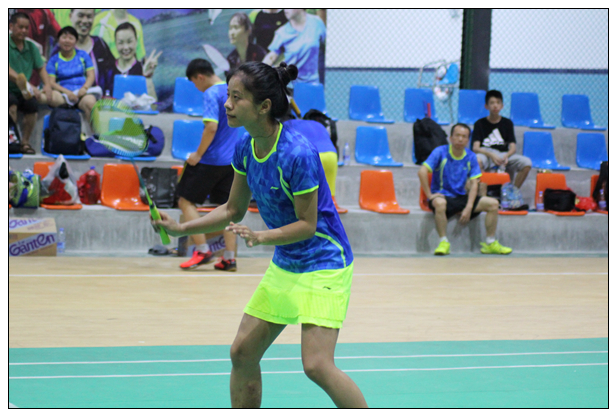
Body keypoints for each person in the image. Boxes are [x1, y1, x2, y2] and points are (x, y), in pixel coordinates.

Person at [152, 61, 367, 408]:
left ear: (264, 106)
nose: (227, 104)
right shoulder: (245, 146)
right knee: (242, 352)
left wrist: (262, 237)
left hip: (325, 262)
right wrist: (181, 227)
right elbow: (232, 210)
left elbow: (307, 225)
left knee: (317, 365)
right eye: (228, 96)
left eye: (237, 98)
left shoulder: (297, 153)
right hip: (287, 262)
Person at [175, 58, 241, 271]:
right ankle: (229, 258)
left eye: (194, 82)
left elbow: (211, 127)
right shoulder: (233, 91)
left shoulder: (212, 93)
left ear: (200, 77)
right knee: (228, 209)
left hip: (211, 160)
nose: (196, 87)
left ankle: (202, 250)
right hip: (233, 162)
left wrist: (197, 154)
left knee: (185, 201)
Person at [418, 123, 513, 256]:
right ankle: (443, 242)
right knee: (440, 203)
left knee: (493, 204)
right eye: (457, 135)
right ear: (451, 138)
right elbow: (422, 171)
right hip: (442, 196)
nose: (460, 139)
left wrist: (469, 207)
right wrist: (429, 195)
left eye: (464, 136)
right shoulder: (440, 152)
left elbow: (474, 184)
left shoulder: (471, 156)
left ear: (468, 140)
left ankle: (490, 243)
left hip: (461, 197)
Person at [9, 12, 53, 154]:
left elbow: (41, 68)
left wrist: (47, 86)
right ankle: (11, 140)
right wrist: (28, 85)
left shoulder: (32, 47)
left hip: (24, 91)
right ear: (11, 26)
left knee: (32, 105)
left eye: (26, 28)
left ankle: (25, 143)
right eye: (20, 27)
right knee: (11, 103)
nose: (23, 31)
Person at [471, 90, 532, 189]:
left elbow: (513, 148)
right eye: (492, 103)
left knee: (526, 163)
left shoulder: (507, 123)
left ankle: (513, 191)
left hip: (503, 154)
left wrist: (506, 156)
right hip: (486, 154)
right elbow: (476, 148)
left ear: (502, 106)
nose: (495, 106)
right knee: (477, 160)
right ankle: (482, 189)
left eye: (498, 102)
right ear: (486, 106)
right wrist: (491, 155)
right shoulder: (479, 123)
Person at [283, 119, 345, 212]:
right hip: (331, 153)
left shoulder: (287, 124)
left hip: (311, 155)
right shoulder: (318, 124)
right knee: (329, 192)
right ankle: (333, 204)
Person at [46, 26, 101, 127]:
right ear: (58, 40)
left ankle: (96, 134)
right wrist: (68, 93)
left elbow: (91, 75)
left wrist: (84, 88)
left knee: (91, 103)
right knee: (50, 97)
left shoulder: (83, 55)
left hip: (82, 94)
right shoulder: (53, 60)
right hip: (63, 96)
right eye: (64, 37)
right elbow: (51, 83)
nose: (67, 41)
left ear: (76, 41)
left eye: (71, 38)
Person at [50, 9, 115, 90]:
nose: (85, 21)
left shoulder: (100, 45)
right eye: (80, 16)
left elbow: (112, 77)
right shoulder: (60, 49)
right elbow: (51, 81)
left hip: (98, 97)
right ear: (70, 16)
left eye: (89, 16)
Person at [99, 22, 161, 101]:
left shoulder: (142, 68)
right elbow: (101, 100)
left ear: (136, 41)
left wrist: (147, 77)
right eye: (121, 43)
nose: (125, 47)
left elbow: (153, 105)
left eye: (129, 42)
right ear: (116, 44)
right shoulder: (107, 70)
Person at [263, 9, 326, 84]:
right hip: (290, 84)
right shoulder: (281, 32)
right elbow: (271, 57)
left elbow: (326, 46)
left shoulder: (317, 22)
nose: (285, 9)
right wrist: (258, 74)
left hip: (313, 83)